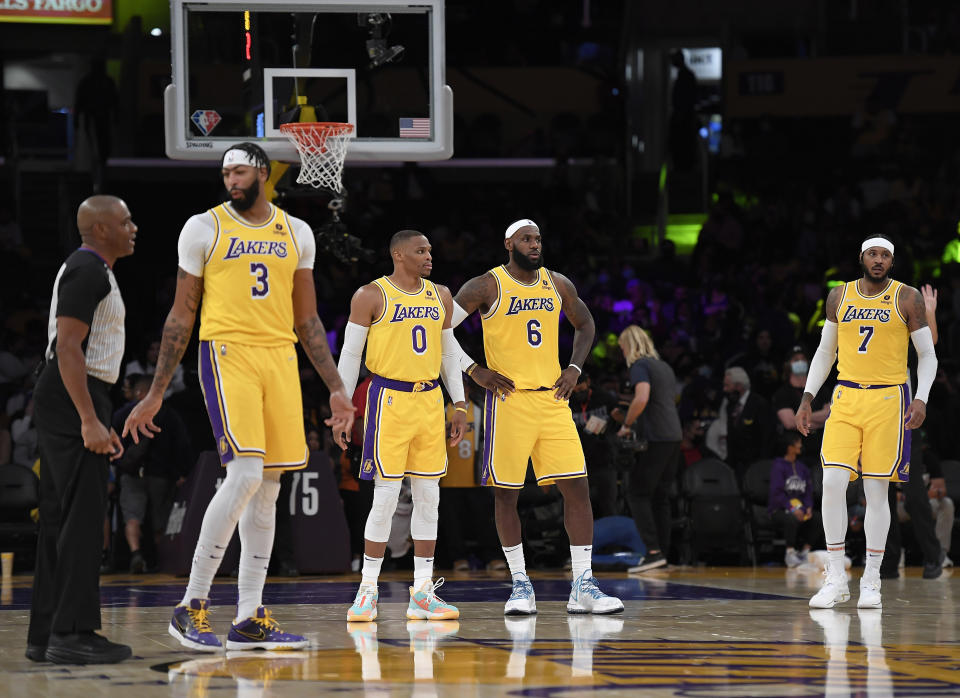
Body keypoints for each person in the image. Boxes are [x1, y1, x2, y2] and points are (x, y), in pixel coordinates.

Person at [123, 142, 354, 651]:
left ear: (264, 174)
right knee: (246, 473)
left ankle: (250, 615)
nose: (231, 178)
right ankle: (191, 604)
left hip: (280, 357)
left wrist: (337, 387)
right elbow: (181, 314)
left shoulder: (297, 231)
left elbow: (308, 319)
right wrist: (157, 391)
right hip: (227, 352)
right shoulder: (203, 227)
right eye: (225, 171)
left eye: (240, 170)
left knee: (270, 488)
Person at [449, 218, 623, 616]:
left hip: (552, 400)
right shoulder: (485, 285)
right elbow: (441, 328)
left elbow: (586, 323)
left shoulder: (558, 283)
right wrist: (473, 369)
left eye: (538, 239)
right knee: (505, 494)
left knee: (577, 488)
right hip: (508, 402)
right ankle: (520, 583)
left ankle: (582, 583)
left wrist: (575, 368)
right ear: (508, 243)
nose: (534, 244)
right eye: (526, 239)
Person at [797, 234, 937, 609]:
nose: (878, 260)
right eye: (873, 254)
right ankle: (836, 577)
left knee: (876, 492)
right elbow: (826, 351)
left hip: (889, 399)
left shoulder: (907, 297)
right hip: (845, 396)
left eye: (885, 256)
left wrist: (921, 396)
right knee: (832, 482)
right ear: (861, 257)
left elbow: (927, 354)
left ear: (892, 262)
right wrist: (807, 397)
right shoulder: (839, 296)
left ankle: (872, 579)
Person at [337, 229, 467, 623]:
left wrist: (458, 401)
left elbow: (448, 352)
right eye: (421, 250)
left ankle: (423, 592)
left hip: (430, 401)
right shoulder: (370, 295)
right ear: (398, 254)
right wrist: (343, 406)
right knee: (386, 498)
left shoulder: (441, 294)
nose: (430, 255)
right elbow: (350, 353)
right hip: (388, 400)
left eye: (430, 249)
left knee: (430, 498)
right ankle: (367, 591)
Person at [28, 195, 136, 664]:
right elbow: (69, 347)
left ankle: (46, 635)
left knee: (60, 517)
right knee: (81, 520)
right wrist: (90, 418)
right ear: (101, 229)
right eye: (125, 221)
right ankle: (72, 634)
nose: (134, 227)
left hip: (73, 395)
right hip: (76, 394)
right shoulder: (88, 269)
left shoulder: (91, 269)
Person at [616, 325, 682, 573]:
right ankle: (662, 554)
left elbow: (642, 398)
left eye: (622, 348)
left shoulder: (639, 366)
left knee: (637, 493)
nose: (622, 353)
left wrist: (626, 424)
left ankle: (653, 552)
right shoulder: (663, 366)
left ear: (629, 346)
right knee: (660, 497)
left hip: (656, 437)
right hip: (674, 435)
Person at [112, 373, 192, 574]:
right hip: (160, 475)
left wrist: (120, 463)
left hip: (131, 473)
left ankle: (136, 554)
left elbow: (112, 439)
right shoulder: (169, 414)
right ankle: (162, 559)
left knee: (132, 516)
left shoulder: (125, 413)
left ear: (139, 392)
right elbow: (182, 445)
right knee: (161, 519)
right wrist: (181, 472)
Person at [768, 431, 822, 567]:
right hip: (779, 509)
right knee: (790, 519)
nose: (800, 445)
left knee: (818, 518)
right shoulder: (778, 466)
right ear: (789, 447)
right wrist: (792, 509)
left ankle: (805, 552)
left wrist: (808, 507)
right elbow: (777, 494)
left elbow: (808, 492)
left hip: (800, 509)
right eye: (797, 442)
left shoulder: (802, 468)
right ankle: (790, 553)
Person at [721, 366, 775, 479]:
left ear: (739, 386)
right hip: (736, 466)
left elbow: (767, 438)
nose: (724, 389)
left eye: (727, 385)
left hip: (756, 465)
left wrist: (762, 466)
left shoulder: (760, 404)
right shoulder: (730, 405)